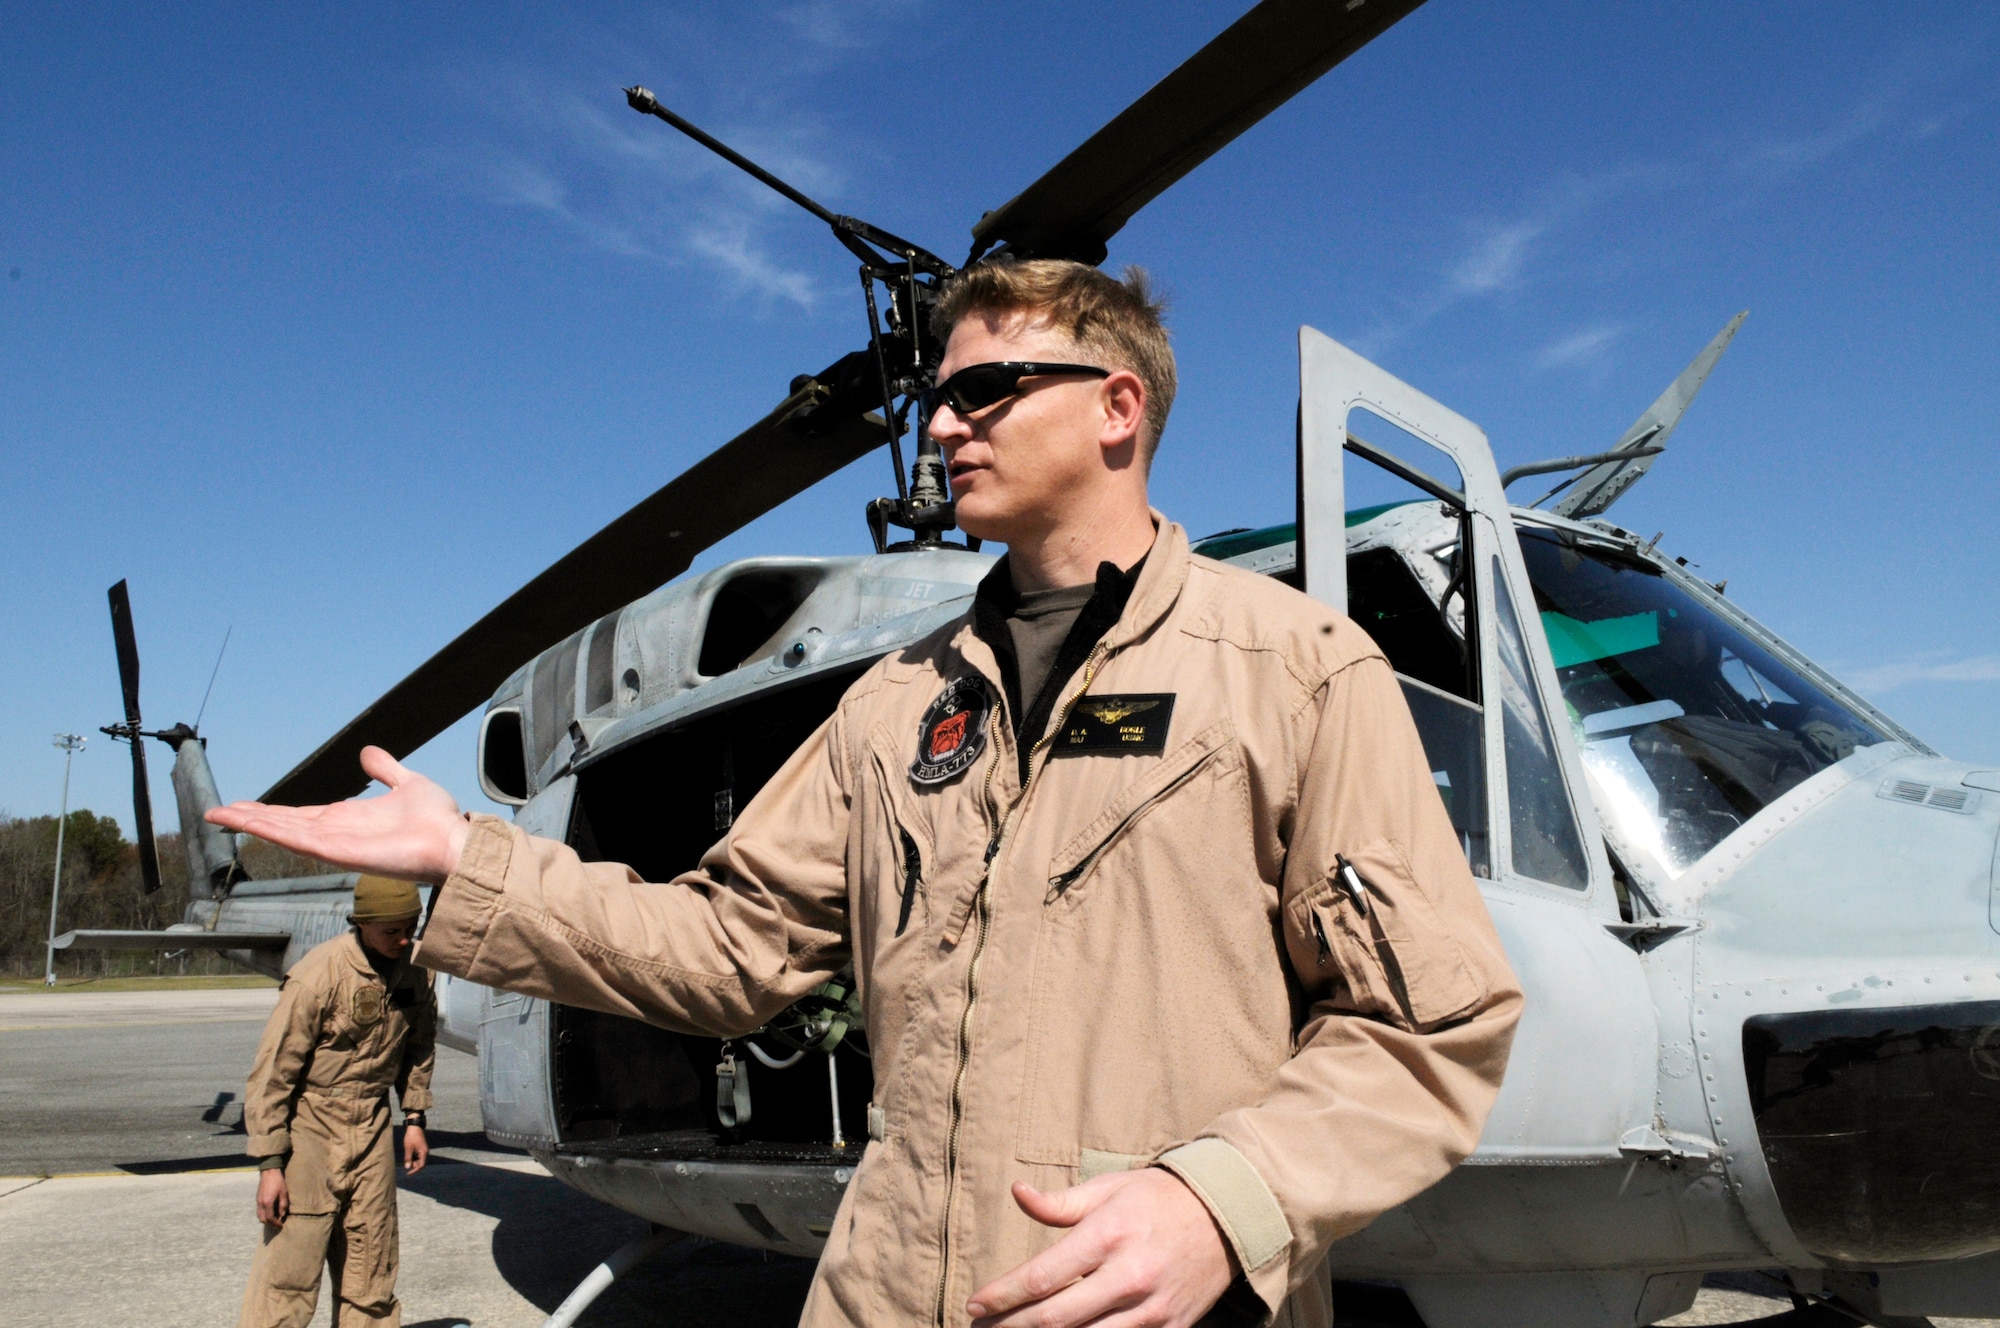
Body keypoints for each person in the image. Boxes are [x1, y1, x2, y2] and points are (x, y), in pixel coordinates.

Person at [211, 259, 1522, 1328]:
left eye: (988, 389)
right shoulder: (896, 705)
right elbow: (729, 949)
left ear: (1118, 408)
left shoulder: (1292, 671)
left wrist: (1220, 1201)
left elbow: (1432, 1026)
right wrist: (468, 860)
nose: (943, 424)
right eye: (943, 398)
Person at [237, 874, 437, 1328]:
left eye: (411, 926)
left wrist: (415, 1117)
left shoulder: (417, 969)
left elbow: (420, 1046)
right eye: (392, 930)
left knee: (373, 1269)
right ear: (362, 924)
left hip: (372, 1125)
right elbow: (272, 1075)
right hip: (312, 1128)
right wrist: (271, 1166)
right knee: (290, 1275)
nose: (404, 939)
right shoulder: (317, 976)